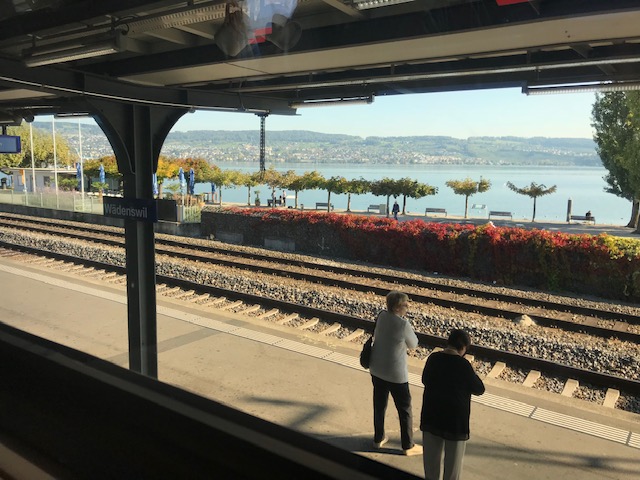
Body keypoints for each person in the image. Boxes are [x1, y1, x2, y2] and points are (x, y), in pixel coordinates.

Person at [420, 329, 485, 480]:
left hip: (431, 416)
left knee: (431, 465)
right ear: (463, 348)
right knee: (452, 469)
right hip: (455, 422)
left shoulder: (433, 358)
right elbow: (479, 389)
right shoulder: (464, 365)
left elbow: (425, 380)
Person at [369, 291, 422, 456]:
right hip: (396, 375)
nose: (408, 307)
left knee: (379, 404)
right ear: (398, 307)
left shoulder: (382, 316)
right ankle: (408, 445)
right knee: (404, 409)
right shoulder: (403, 325)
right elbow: (413, 344)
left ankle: (378, 438)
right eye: (405, 304)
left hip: (376, 369)